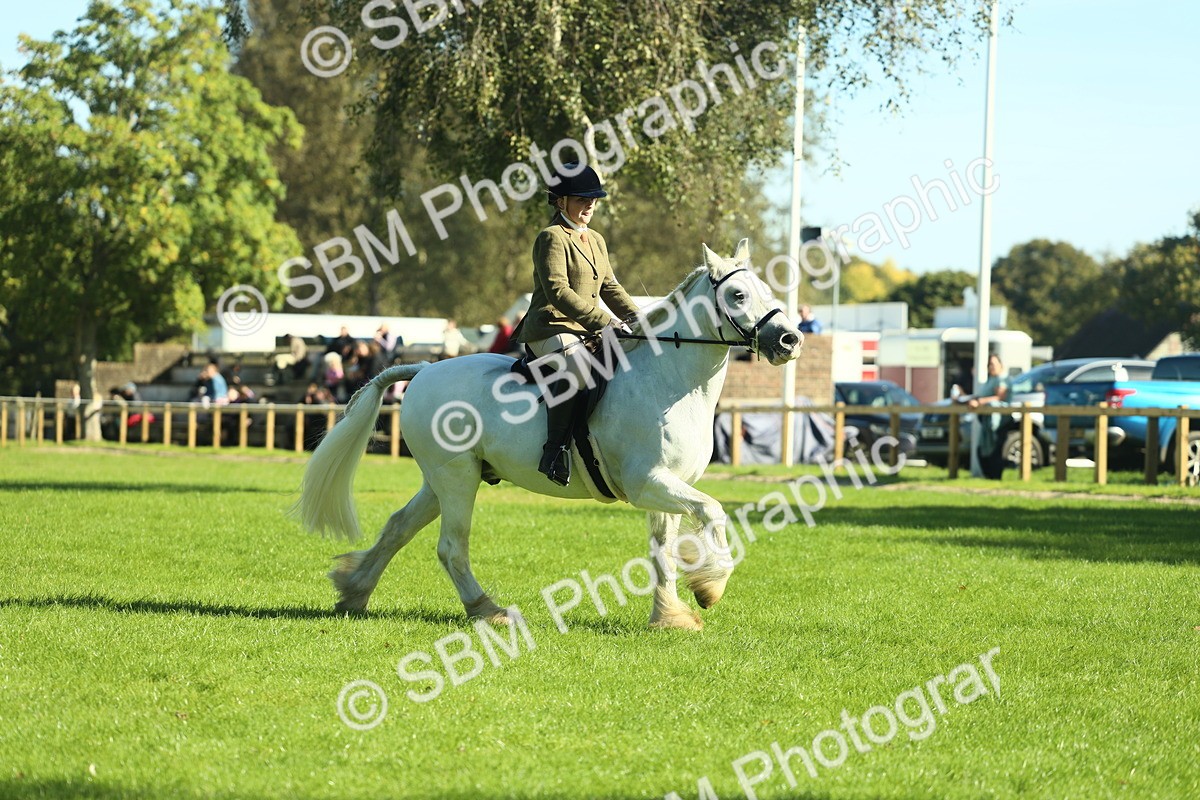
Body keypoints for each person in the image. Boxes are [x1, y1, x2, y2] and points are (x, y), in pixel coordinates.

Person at [514, 162, 640, 486]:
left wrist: (640, 319)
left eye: (593, 200)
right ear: (561, 201)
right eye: (582, 199)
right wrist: (606, 320)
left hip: (583, 329)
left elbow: (610, 287)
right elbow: (558, 291)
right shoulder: (551, 237)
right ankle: (554, 451)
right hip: (550, 326)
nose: (590, 205)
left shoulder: (596, 239)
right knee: (579, 365)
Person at [956, 353, 1010, 479]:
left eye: (994, 364)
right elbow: (980, 396)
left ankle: (995, 478)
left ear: (1001, 365)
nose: (991, 367)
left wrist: (979, 402)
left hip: (999, 422)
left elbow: (1000, 397)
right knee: (983, 449)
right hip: (987, 420)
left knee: (995, 450)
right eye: (989, 364)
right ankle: (989, 477)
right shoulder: (990, 380)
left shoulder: (1002, 379)